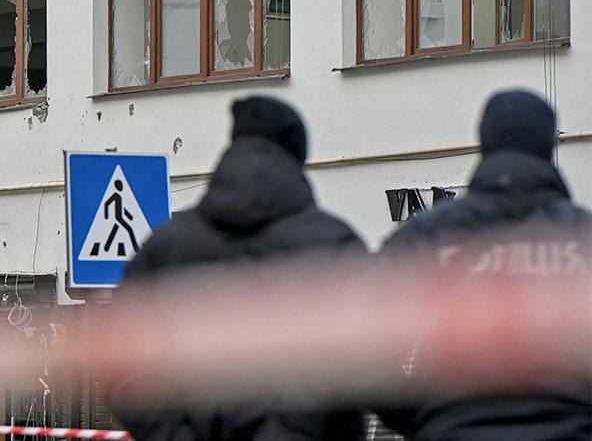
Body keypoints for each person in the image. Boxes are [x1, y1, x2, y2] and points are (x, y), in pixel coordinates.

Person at [110, 95, 367, 441]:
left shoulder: (165, 247)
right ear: (297, 158)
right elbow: (357, 366)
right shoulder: (335, 244)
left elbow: (125, 366)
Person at [376, 89, 592, 440]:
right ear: (547, 143)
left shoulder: (425, 238)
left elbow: (362, 350)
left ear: (484, 139)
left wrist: (427, 419)